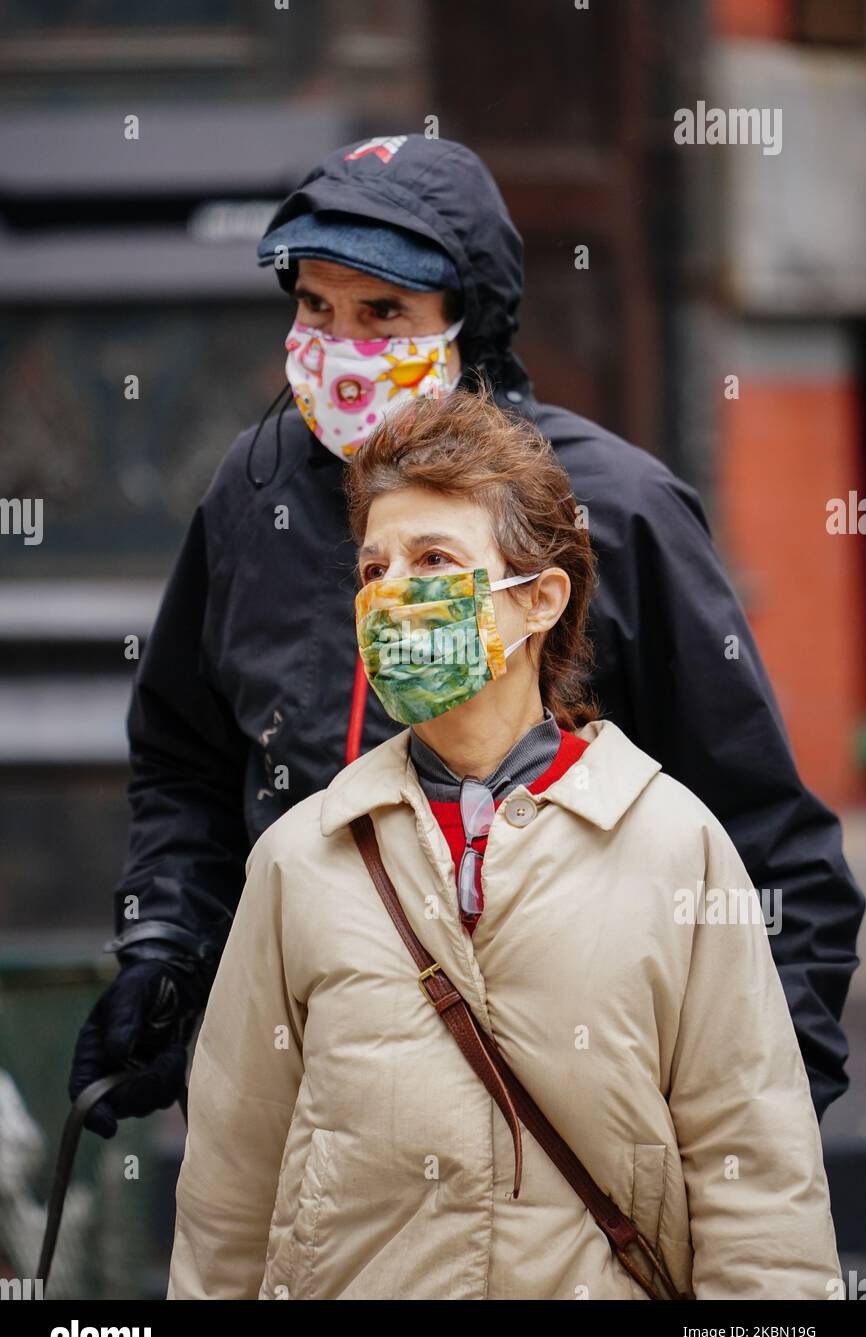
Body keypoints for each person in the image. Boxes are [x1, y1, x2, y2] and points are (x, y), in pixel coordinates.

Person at [69, 133, 862, 1138]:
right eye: (315, 306)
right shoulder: (251, 491)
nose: (337, 343)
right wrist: (166, 955)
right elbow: (185, 760)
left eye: (381, 313)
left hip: (561, 1122)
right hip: (313, 1105)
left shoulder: (613, 510)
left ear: (466, 324)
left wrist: (756, 1120)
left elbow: (770, 844)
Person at [167, 386, 841, 1301]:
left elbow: (758, 1189)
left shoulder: (675, 845)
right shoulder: (300, 860)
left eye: (434, 558)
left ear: (540, 601)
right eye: (374, 570)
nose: (393, 596)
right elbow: (228, 1204)